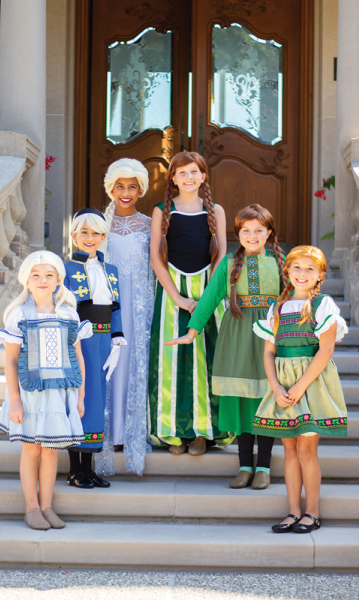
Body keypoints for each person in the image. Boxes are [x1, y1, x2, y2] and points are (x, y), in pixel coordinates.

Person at [167, 205, 286, 490]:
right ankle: (245, 465)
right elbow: (209, 299)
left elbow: (297, 298)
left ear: (269, 233)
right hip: (237, 338)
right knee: (242, 399)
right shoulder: (230, 262)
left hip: (270, 338)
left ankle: (264, 467)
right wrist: (191, 331)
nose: (253, 235)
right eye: (246, 230)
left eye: (259, 230)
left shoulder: (281, 262)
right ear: (238, 233)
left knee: (265, 401)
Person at [252, 246, 348, 533]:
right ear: (287, 272)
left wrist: (299, 386)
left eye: (309, 269)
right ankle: (293, 511)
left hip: (310, 383)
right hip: (283, 384)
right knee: (290, 450)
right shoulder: (277, 308)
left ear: (320, 274)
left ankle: (312, 512)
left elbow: (326, 350)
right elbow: (269, 352)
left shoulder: (323, 305)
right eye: (297, 268)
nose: (302, 274)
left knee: (307, 450)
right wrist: (275, 386)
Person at [0, 251, 92, 530]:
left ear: (59, 280)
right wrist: (14, 401)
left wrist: (81, 396)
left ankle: (47, 506)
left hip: (60, 393)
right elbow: (11, 361)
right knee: (31, 449)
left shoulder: (69, 314)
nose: (42, 280)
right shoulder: (18, 315)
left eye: (49, 275)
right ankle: (31, 508)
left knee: (50, 450)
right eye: (36, 275)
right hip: (29, 394)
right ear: (26, 280)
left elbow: (78, 358)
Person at [149, 151, 232, 456]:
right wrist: (178, 298)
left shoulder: (215, 210)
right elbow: (156, 259)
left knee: (205, 361)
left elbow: (222, 255)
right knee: (171, 362)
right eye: (181, 173)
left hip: (207, 292)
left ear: (203, 176)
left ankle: (203, 432)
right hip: (173, 292)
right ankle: (173, 432)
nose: (188, 177)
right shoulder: (162, 210)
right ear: (172, 178)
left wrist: (208, 297)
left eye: (194, 171)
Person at [95, 158, 155, 477]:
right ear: (111, 189)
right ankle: (108, 433)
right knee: (109, 366)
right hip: (108, 304)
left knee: (132, 364)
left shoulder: (149, 224)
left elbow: (155, 269)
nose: (126, 192)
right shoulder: (100, 226)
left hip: (139, 305)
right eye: (120, 186)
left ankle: (129, 432)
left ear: (141, 189)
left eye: (132, 186)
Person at [64, 208, 126, 489]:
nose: (90, 238)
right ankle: (74, 469)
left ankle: (88, 469)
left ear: (104, 236)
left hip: (102, 343)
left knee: (97, 402)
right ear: (74, 235)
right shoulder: (65, 269)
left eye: (96, 233)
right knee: (80, 401)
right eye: (84, 232)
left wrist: (117, 339)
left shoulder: (109, 270)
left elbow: (116, 308)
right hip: (79, 342)